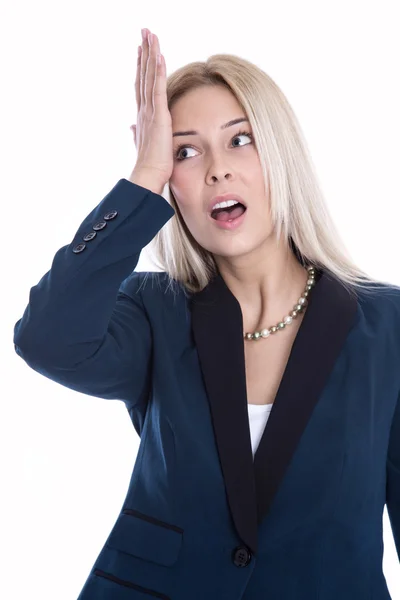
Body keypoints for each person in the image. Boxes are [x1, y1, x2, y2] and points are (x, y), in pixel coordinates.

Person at [13, 27, 400, 600]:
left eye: (240, 140)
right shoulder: (153, 311)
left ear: (280, 154)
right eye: (185, 152)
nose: (217, 169)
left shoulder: (387, 326)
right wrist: (142, 179)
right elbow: (47, 339)